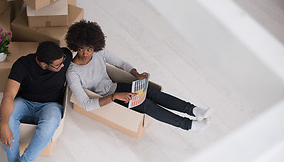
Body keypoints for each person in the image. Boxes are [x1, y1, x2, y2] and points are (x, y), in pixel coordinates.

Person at [65, 20, 212, 132]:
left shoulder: (98, 53)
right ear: (75, 47)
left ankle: (194, 110)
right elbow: (86, 105)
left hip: (116, 87)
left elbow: (121, 63)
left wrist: (137, 74)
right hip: (108, 99)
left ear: (95, 47)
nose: (85, 53)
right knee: (147, 105)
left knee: (152, 93)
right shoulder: (73, 73)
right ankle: (189, 125)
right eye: (81, 49)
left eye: (89, 49)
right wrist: (114, 97)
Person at [0, 41, 72, 162]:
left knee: (50, 124)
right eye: (57, 66)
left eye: (62, 61)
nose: (62, 66)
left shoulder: (65, 57)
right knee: (7, 117)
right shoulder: (22, 64)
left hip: (50, 105)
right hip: (25, 102)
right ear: (44, 64)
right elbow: (8, 95)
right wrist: (4, 124)